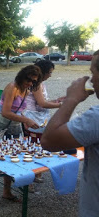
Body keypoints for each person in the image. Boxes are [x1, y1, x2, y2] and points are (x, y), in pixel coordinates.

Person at [41, 50, 98, 217]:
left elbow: (49, 141)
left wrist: (71, 99)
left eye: (93, 73)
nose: (92, 80)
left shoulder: (96, 118)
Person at [0, 65, 42, 208]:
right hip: (1, 124)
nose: (30, 83)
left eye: (34, 81)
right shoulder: (12, 87)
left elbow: (19, 111)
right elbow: (6, 112)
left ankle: (6, 191)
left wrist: (25, 123)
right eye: (29, 80)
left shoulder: (26, 90)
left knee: (11, 158)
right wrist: (26, 120)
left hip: (15, 126)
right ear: (22, 76)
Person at [22, 60, 65, 187]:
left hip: (38, 117)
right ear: (43, 72)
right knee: (32, 146)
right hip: (31, 117)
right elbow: (42, 103)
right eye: (50, 73)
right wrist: (61, 105)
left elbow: (43, 102)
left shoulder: (41, 84)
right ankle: (29, 177)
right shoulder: (36, 84)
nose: (50, 75)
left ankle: (35, 173)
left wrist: (57, 100)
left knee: (37, 146)